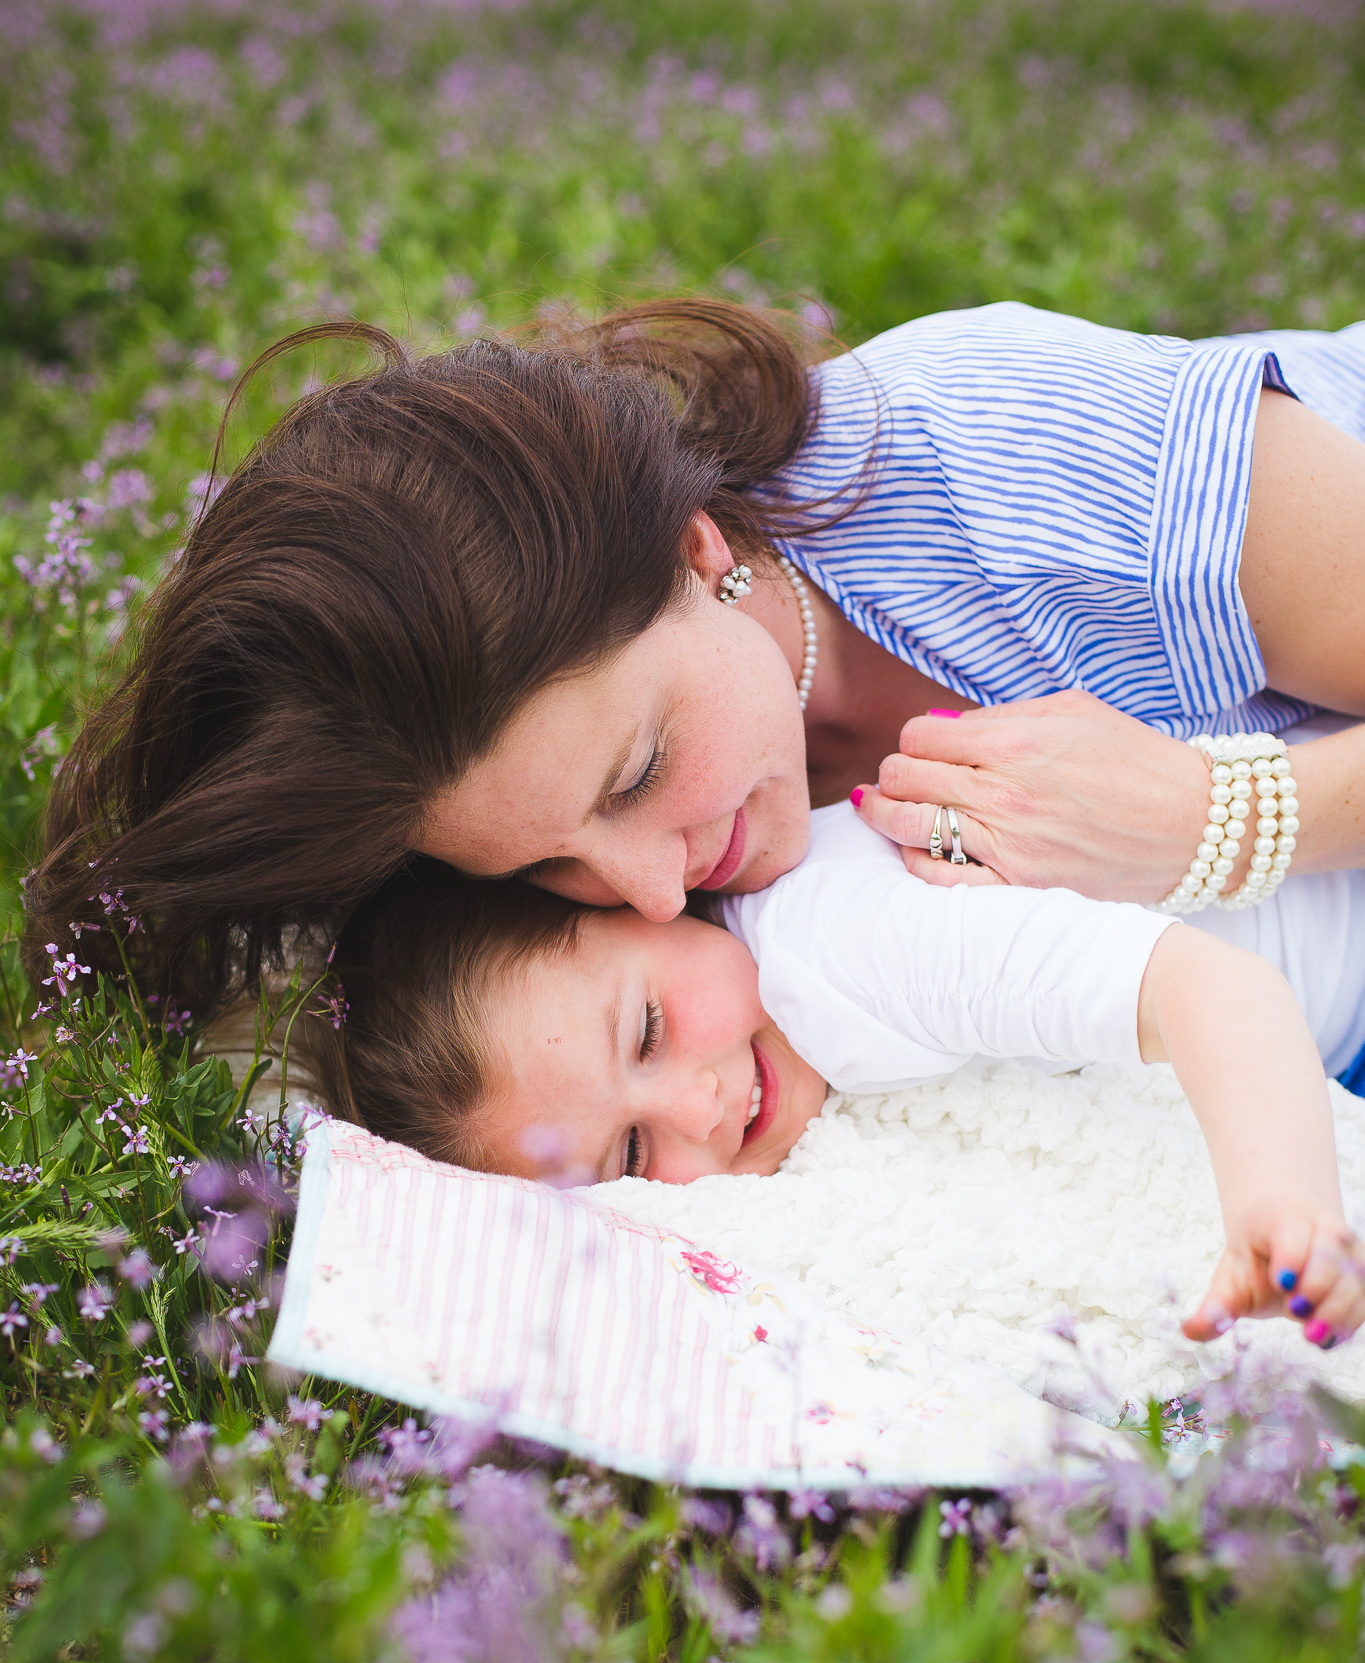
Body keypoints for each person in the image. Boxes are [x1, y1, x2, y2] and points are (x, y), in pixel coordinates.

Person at [24, 299, 1365, 1019]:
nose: (652, 894)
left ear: (696, 549)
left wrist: (1228, 821)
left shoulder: (1010, 474)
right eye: (547, 866)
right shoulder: (543, 813)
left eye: (634, 774)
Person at [316, 803, 1365, 1354]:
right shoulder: (774, 1009)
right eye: (632, 1153)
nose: (702, 1107)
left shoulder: (838, 949)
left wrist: (1283, 1205)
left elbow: (1214, 987)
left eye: (647, 1031)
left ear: (646, 898)